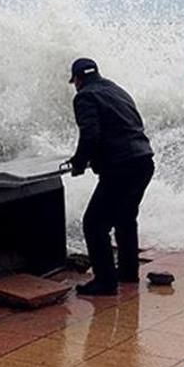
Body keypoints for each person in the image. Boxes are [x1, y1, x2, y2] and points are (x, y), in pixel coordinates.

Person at [65, 58, 154, 296]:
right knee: (125, 218)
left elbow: (90, 135)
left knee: (94, 224)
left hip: (121, 167)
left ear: (78, 80)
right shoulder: (117, 90)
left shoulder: (84, 96)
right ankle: (127, 272)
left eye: (75, 82)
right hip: (143, 161)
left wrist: (79, 163)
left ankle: (105, 281)